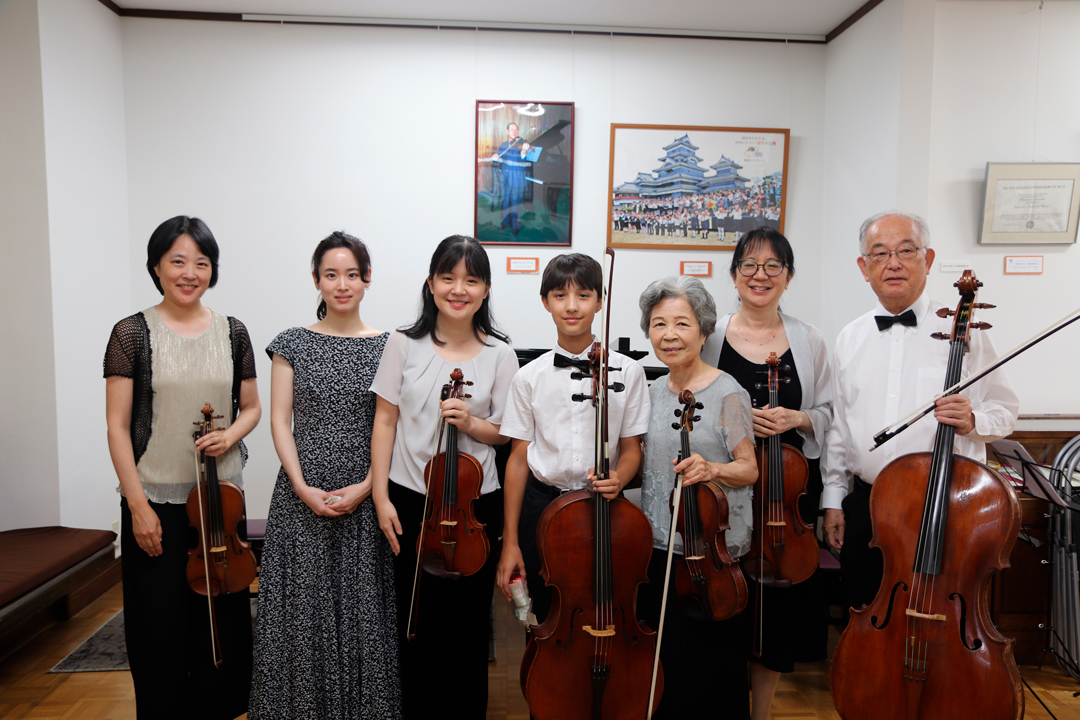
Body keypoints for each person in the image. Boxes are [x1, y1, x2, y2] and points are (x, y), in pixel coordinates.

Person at [104, 216, 261, 720]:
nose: (189, 273)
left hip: (219, 501)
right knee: (158, 627)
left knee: (221, 626)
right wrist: (138, 507)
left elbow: (251, 408)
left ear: (213, 269)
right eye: (177, 261)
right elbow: (117, 426)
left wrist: (229, 436)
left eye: (201, 262)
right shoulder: (131, 333)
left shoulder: (233, 332)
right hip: (155, 501)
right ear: (156, 266)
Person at [822, 211, 1019, 611]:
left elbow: (1005, 409)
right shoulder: (849, 337)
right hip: (868, 506)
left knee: (942, 612)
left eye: (906, 251)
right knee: (865, 610)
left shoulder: (967, 332)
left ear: (927, 260)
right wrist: (833, 499)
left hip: (947, 505)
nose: (893, 264)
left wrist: (973, 420)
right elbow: (841, 428)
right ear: (864, 267)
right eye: (880, 254)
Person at [248, 232, 399, 719]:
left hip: (365, 496)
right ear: (316, 280)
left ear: (367, 278)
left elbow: (391, 425)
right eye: (331, 274)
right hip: (301, 497)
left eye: (352, 274)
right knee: (301, 612)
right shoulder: (291, 343)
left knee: (362, 609)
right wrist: (300, 486)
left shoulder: (391, 346)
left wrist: (368, 487)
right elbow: (279, 420)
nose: (342, 284)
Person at [370, 235, 519, 720]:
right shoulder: (402, 343)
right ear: (431, 284)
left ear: (486, 290)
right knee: (413, 622)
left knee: (468, 627)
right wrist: (380, 497)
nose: (459, 289)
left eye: (471, 280)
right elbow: (385, 421)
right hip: (411, 500)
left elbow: (504, 434)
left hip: (475, 505)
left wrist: (471, 423)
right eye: (448, 277)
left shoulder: (500, 354)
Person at [710, 227, 833, 720]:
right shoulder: (710, 335)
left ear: (788, 276)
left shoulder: (809, 339)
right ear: (734, 274)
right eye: (749, 265)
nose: (760, 275)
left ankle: (760, 714)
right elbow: (693, 400)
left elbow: (830, 413)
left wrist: (797, 417)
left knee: (776, 616)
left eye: (773, 266)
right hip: (724, 495)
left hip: (787, 499)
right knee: (723, 604)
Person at [495, 253, 650, 629]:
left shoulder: (628, 371)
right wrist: (510, 540)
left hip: (604, 509)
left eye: (583, 295)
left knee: (606, 609)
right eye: (560, 295)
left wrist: (619, 477)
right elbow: (518, 459)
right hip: (542, 509)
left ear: (599, 302)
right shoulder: (528, 377)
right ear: (545, 302)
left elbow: (632, 449)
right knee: (546, 616)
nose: (571, 306)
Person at [637, 275, 758, 720]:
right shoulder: (651, 393)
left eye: (682, 323)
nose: (669, 335)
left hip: (712, 559)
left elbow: (749, 468)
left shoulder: (728, 392)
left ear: (704, 331)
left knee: (712, 677)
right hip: (660, 551)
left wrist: (713, 469)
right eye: (659, 324)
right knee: (667, 671)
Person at [492, 122, 531, 235]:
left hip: (517, 178)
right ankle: (505, 223)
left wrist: (524, 152)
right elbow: (499, 157)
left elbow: (522, 160)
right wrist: (495, 156)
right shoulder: (504, 144)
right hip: (505, 178)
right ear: (507, 131)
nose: (514, 131)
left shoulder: (522, 144)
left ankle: (515, 226)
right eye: (512, 129)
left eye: (516, 129)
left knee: (515, 203)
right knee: (505, 202)